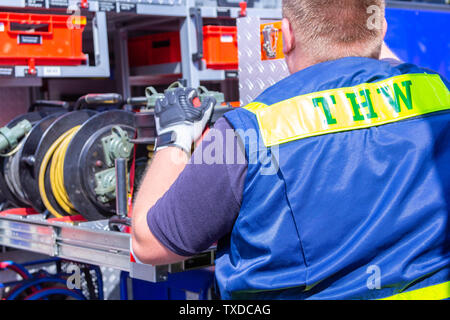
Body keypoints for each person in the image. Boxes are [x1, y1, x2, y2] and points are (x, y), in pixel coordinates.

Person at [131, 0, 450, 299]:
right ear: (381, 28)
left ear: (284, 35)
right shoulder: (436, 95)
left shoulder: (247, 130)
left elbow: (148, 244)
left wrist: (174, 136)